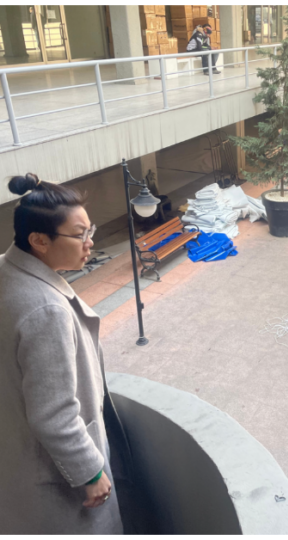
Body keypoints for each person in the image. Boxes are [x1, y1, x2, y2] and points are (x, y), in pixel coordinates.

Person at [0, 174, 130, 533]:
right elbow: (53, 413)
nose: (91, 243)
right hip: (54, 480)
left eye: (90, 230)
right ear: (39, 240)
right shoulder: (45, 310)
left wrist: (50, 195)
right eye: (80, 235)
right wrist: (90, 470)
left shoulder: (6, 271)